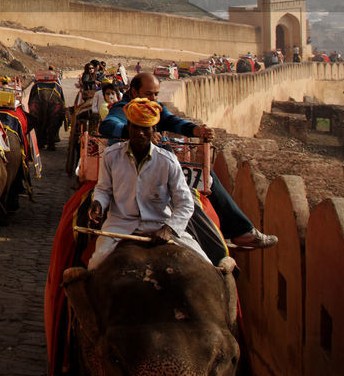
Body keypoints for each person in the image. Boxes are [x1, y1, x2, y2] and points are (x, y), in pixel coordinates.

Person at [101, 72, 277, 250]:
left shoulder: (155, 109)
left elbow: (173, 122)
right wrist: (138, 132)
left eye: (156, 94)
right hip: (128, 167)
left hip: (160, 165)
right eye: (148, 94)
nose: (153, 98)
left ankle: (240, 231)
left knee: (207, 178)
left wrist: (197, 131)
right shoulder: (123, 109)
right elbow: (107, 125)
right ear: (133, 92)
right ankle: (241, 232)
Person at [88, 99, 210, 268]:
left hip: (160, 225)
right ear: (128, 127)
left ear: (153, 130)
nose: (140, 133)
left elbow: (185, 203)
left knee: (206, 265)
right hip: (119, 227)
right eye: (135, 127)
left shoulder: (168, 161)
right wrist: (98, 204)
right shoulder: (111, 156)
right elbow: (103, 189)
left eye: (145, 128)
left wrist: (169, 229)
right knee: (95, 266)